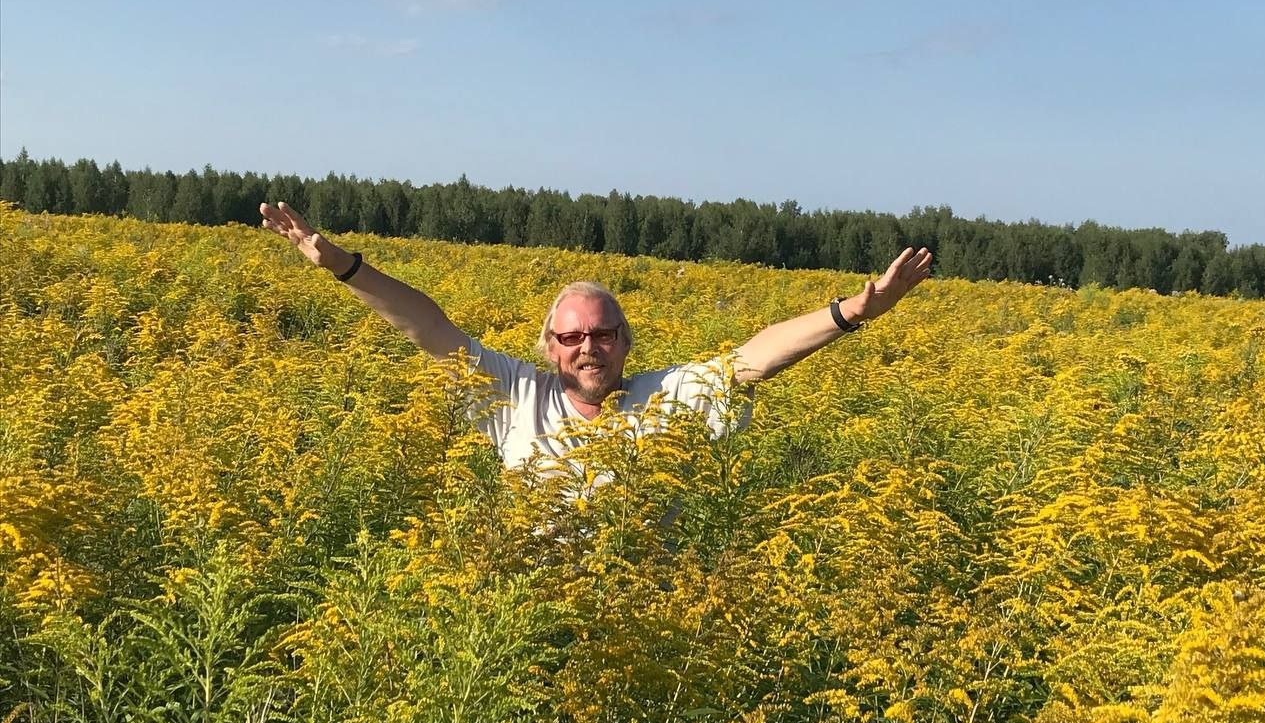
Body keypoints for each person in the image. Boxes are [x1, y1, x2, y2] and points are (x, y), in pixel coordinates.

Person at [259, 201, 932, 474]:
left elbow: (752, 359)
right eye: (573, 336)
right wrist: (345, 267)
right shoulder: (516, 394)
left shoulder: (666, 398)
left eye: (604, 334)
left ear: (625, 343)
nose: (589, 347)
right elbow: (427, 326)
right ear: (550, 346)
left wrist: (853, 311)